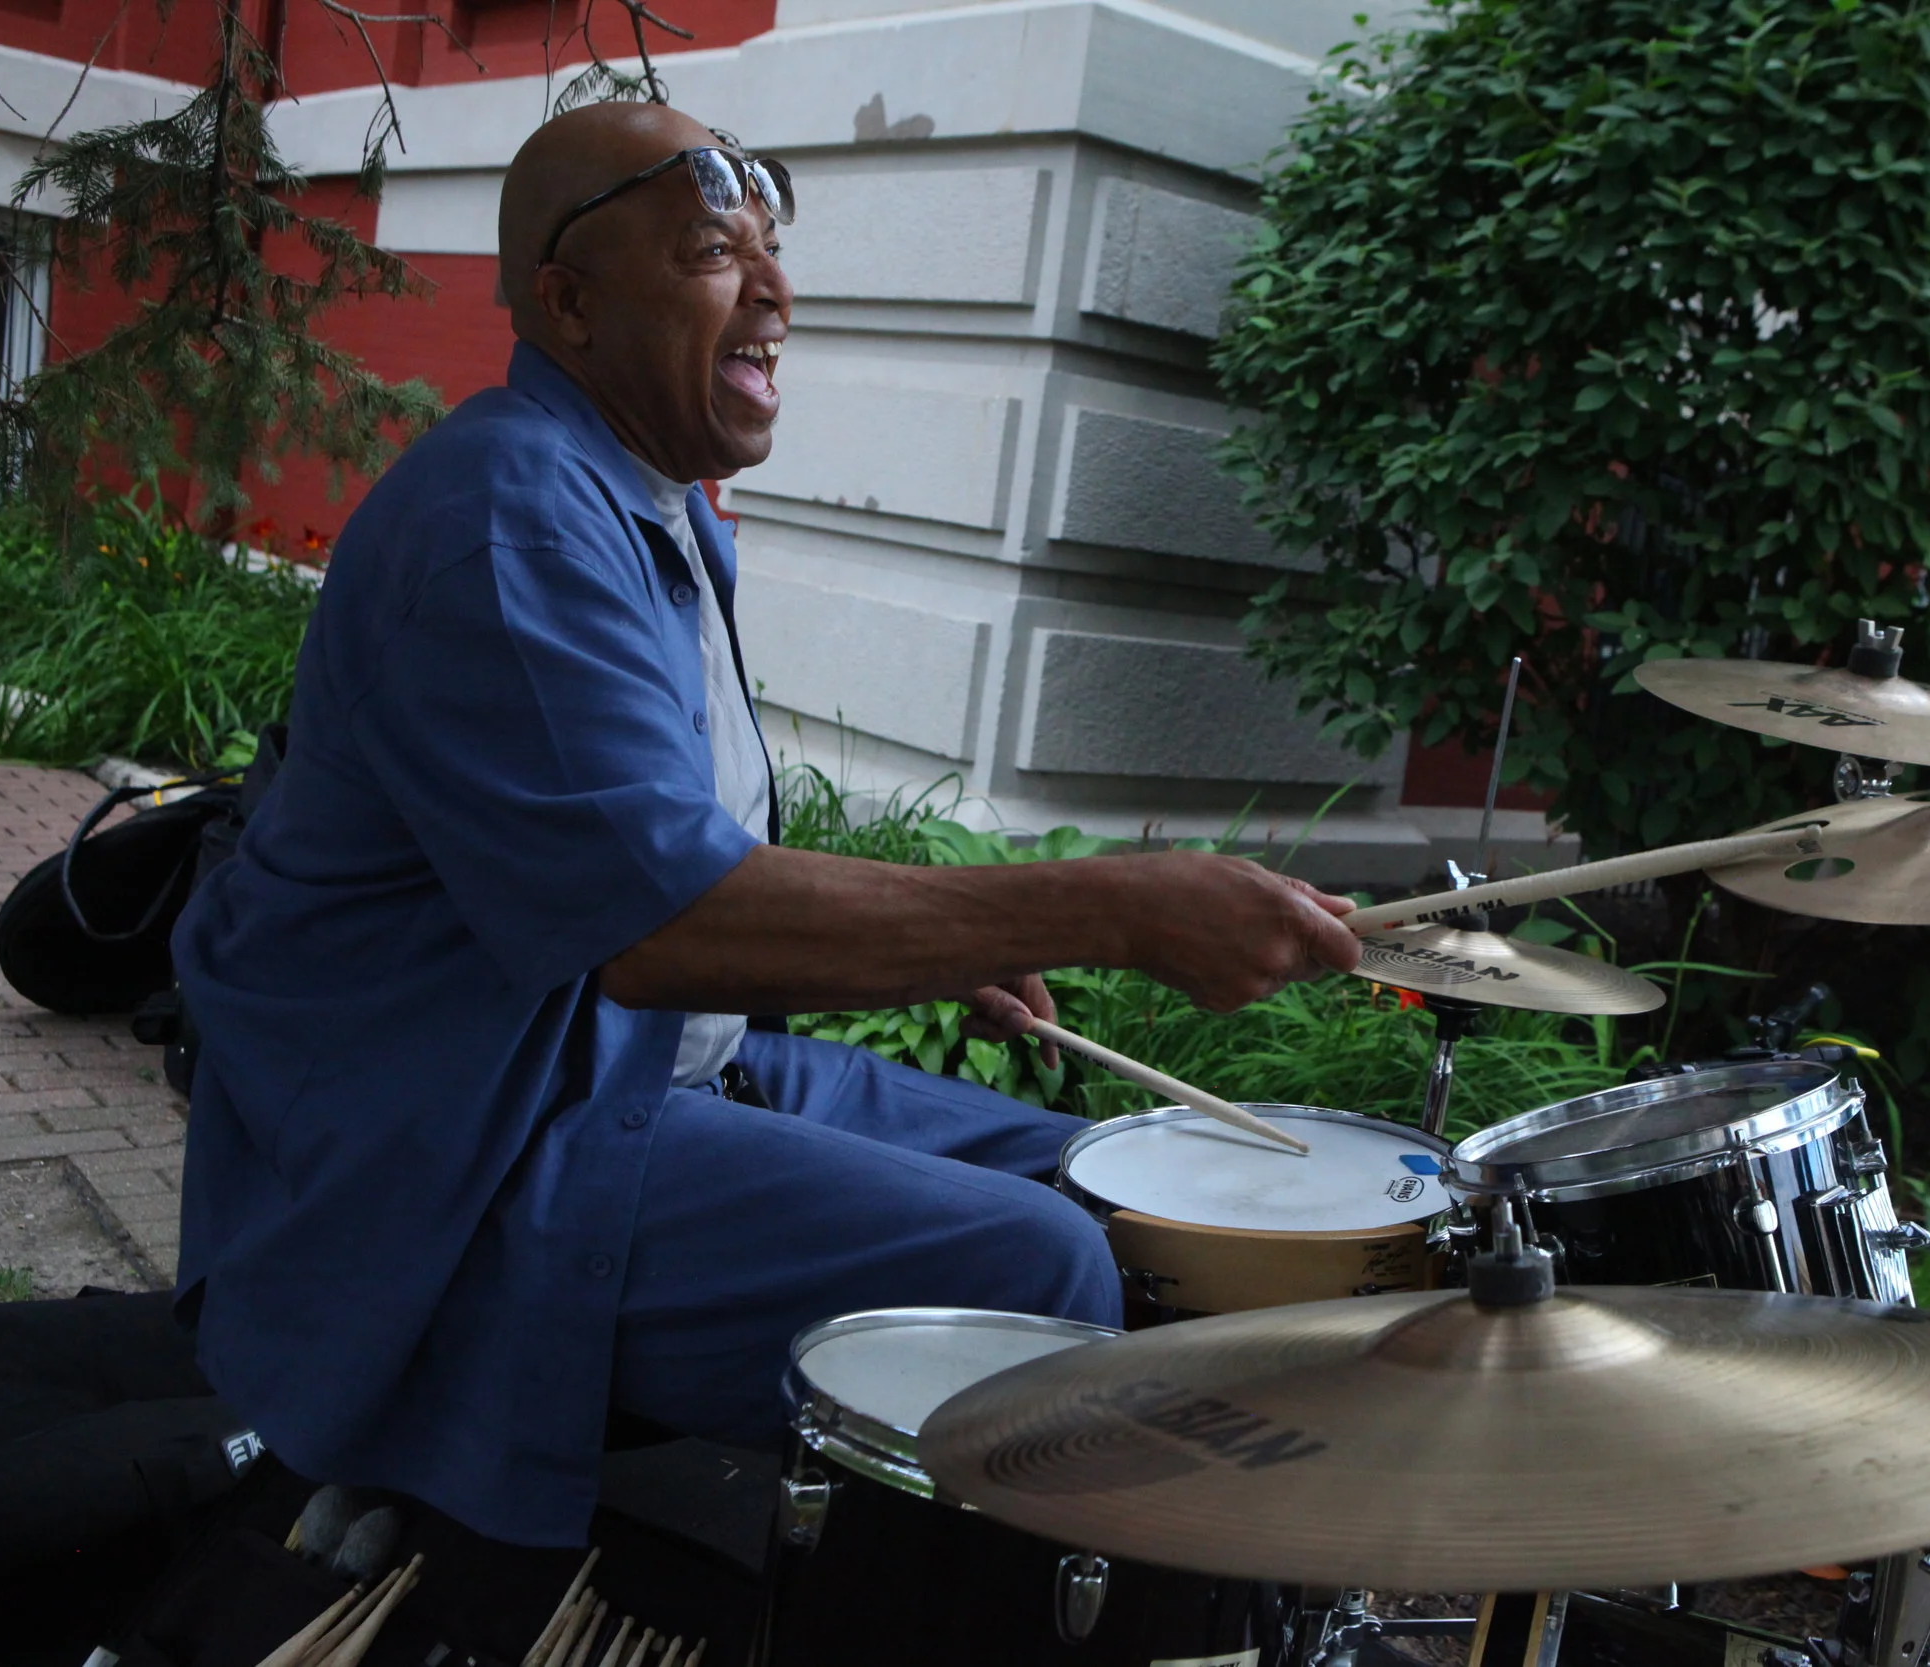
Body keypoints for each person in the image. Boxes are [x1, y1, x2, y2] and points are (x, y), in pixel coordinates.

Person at [170, 100, 1361, 1547]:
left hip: (641, 1073)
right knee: (1037, 1268)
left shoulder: (644, 500)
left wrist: (928, 945)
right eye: (713, 255)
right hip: (467, 1163)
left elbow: (670, 859)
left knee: (1100, 1184)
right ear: (569, 303)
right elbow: (669, 923)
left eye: (772, 255)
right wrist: (1107, 903)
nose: (776, 295)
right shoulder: (515, 517)